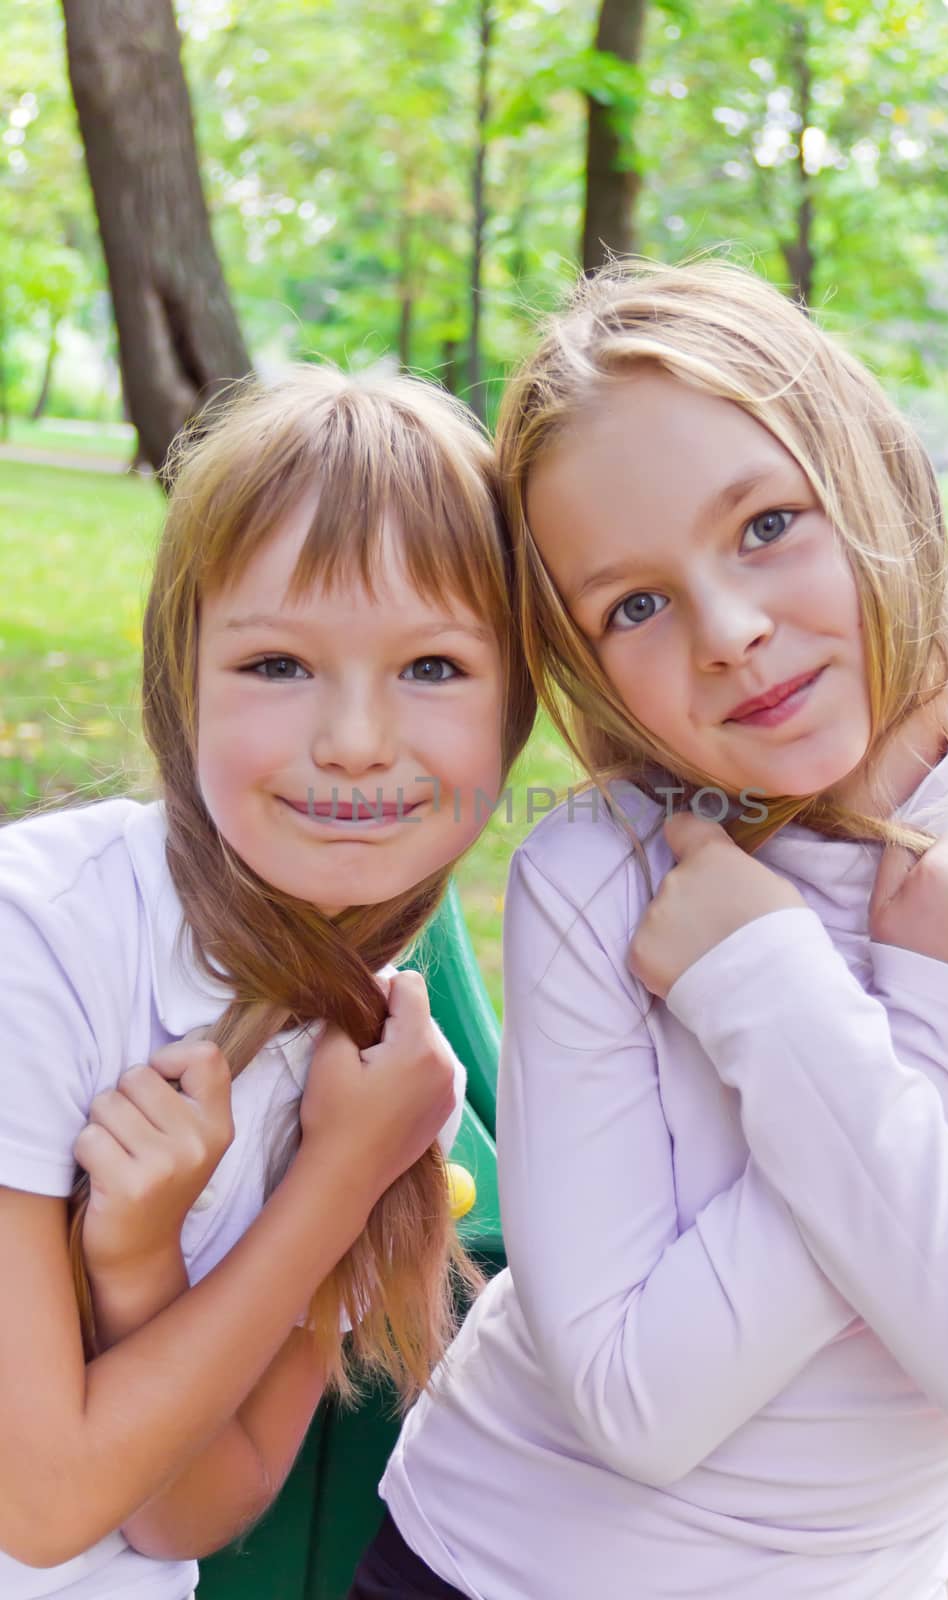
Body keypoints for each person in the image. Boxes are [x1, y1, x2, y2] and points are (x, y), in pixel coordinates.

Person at [351, 261, 948, 1600]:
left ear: (872, 476)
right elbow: (634, 1407)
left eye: (765, 525)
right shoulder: (603, 876)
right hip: (485, 1564)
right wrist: (922, 1024)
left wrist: (787, 1003)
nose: (729, 633)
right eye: (632, 605)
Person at [0, 366, 535, 1600]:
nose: (354, 737)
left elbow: (198, 1503)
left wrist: (141, 1271)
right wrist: (333, 1183)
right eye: (279, 663)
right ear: (181, 680)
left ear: (514, 713)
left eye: (435, 668)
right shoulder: (45, 940)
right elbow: (40, 1507)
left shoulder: (387, 1080)